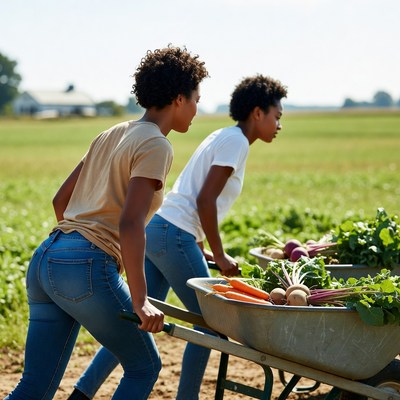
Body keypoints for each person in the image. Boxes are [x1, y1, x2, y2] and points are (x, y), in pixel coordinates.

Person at [5, 45, 208, 400]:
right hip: (83, 264)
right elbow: (131, 223)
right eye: (196, 99)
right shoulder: (157, 144)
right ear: (178, 99)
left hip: (46, 258)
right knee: (144, 367)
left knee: (34, 386)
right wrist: (141, 299)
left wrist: (73, 252)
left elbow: (60, 201)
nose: (197, 109)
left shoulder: (112, 133)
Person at [68, 74, 288, 399]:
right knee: (211, 324)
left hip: (161, 229)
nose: (279, 124)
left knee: (134, 323)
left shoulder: (223, 135)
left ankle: (82, 393)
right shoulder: (237, 142)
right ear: (258, 113)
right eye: (277, 117)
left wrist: (200, 246)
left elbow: (191, 191)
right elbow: (204, 199)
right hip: (174, 233)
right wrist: (221, 254)